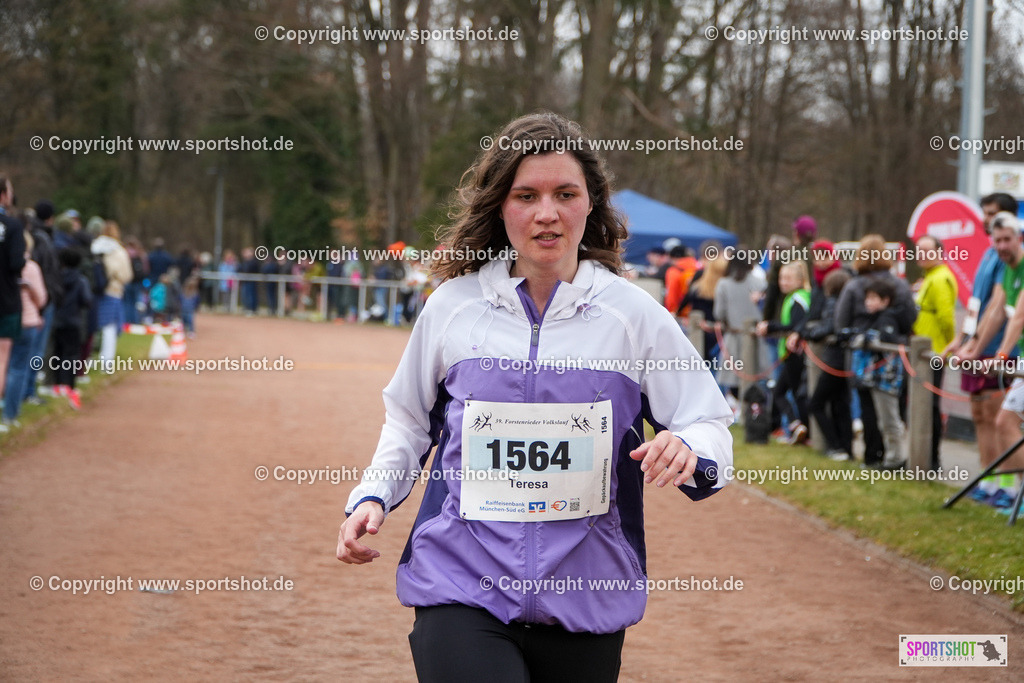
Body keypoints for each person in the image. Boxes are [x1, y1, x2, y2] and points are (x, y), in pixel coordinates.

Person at [336, 112, 733, 682]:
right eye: (527, 195)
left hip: (587, 593)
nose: (547, 212)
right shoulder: (453, 308)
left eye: (564, 193)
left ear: (590, 203)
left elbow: (709, 420)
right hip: (461, 582)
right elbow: (407, 421)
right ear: (501, 206)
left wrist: (690, 447)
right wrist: (372, 497)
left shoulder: (633, 316)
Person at [944, 193, 1020, 505]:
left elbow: (1004, 310)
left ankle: (1008, 486)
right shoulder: (991, 254)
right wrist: (965, 341)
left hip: (1003, 348)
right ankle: (989, 481)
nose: (986, 220)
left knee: (999, 416)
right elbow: (981, 305)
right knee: (982, 414)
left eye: (993, 214)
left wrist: (987, 350)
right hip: (984, 345)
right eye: (985, 214)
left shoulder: (1013, 259)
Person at [835, 235, 916, 468]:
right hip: (894, 359)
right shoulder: (900, 284)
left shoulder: (853, 286)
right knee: (893, 410)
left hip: (864, 360)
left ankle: (874, 456)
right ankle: (895, 456)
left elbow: (841, 322)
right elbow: (911, 317)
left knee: (869, 408)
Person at [793, 268, 854, 459]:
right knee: (840, 405)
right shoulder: (849, 303)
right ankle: (847, 449)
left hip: (834, 361)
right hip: (845, 361)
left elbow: (829, 327)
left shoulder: (832, 303)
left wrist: (808, 333)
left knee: (816, 403)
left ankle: (835, 446)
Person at [912, 235, 956, 470]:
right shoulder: (930, 277)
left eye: (927, 250)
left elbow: (946, 318)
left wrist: (949, 347)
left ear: (939, 251)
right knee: (923, 405)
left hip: (934, 352)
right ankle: (924, 457)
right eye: (919, 250)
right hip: (924, 351)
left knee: (930, 406)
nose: (922, 254)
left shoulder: (940, 279)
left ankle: (932, 460)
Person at [756, 261, 811, 444]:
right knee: (790, 393)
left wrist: (770, 326)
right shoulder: (791, 297)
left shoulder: (799, 299)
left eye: (788, 279)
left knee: (784, 392)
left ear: (800, 280)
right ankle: (800, 428)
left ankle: (801, 427)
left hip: (796, 354)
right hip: (788, 353)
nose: (783, 282)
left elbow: (795, 326)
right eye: (781, 278)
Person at [2, 230, 47, 431]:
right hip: (26, 321)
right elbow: (41, 299)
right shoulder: (30, 268)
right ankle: (10, 414)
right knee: (18, 369)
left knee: (4, 364)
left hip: (5, 319)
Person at [714, 246, 766, 403]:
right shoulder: (760, 283)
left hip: (734, 335)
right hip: (757, 337)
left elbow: (719, 313)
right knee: (754, 375)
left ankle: (742, 409)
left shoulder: (723, 284)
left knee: (735, 377)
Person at [0, 175, 27, 413]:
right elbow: (16, 263)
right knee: (1, 358)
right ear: (4, 194)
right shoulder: (13, 225)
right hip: (5, 299)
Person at [52, 248, 92, 410]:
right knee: (72, 354)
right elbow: (87, 300)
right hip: (74, 321)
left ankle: (57, 384)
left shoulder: (56, 278)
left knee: (57, 352)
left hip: (57, 320)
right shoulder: (81, 281)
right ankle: (70, 386)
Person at [90, 220, 133, 370]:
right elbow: (127, 275)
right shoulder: (119, 251)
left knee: (92, 326)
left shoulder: (94, 247)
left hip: (94, 290)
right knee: (110, 327)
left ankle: (88, 358)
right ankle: (106, 361)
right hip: (112, 291)